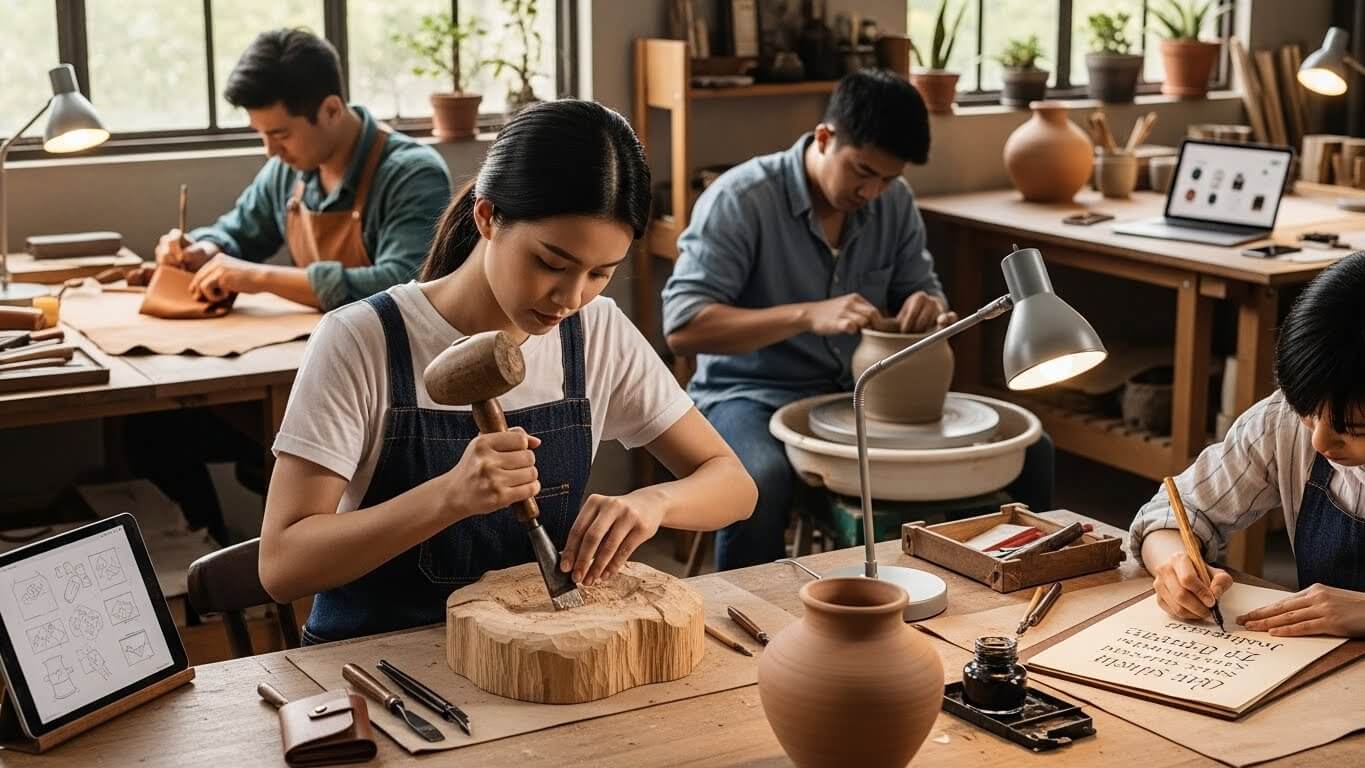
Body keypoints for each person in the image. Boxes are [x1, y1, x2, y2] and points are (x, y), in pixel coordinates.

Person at [258, 100, 757, 643]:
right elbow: (284, 566)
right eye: (551, 264)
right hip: (380, 665)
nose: (570, 297)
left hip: (532, 656)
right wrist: (447, 496)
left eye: (600, 273)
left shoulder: (596, 331)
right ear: (488, 216)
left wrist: (655, 502)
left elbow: (734, 486)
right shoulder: (363, 339)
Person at [661, 69, 1055, 570]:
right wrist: (806, 315)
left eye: (888, 179)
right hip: (750, 392)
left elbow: (921, 285)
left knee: (1033, 449)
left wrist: (926, 302)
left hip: (863, 394)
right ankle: (747, 629)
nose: (872, 191)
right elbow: (683, 326)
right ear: (825, 138)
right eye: (863, 171)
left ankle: (1019, 594)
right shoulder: (741, 200)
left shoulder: (894, 203)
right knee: (757, 477)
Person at [129, 28, 451, 544]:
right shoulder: (291, 172)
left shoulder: (410, 172)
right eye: (261, 134)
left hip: (383, 394)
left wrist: (253, 276)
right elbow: (237, 231)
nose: (269, 150)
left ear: (329, 109)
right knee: (149, 434)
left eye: (278, 134)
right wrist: (200, 249)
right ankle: (218, 570)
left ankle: (278, 572)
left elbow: (402, 285)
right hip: (305, 369)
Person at [1130, 251, 1365, 638]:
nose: (1320, 440)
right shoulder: (1281, 422)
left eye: (1353, 427)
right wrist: (1174, 563)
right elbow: (1176, 511)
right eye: (1306, 410)